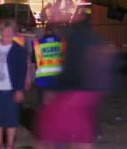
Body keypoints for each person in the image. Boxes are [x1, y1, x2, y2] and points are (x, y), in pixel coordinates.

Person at [35, 10, 116, 149]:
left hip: (74, 93)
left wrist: (55, 89)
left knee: (55, 133)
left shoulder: (75, 38)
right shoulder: (84, 37)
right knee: (78, 134)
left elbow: (70, 66)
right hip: (83, 93)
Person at [0, 20, 28, 149]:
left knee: (11, 120)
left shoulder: (18, 50)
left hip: (11, 90)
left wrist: (19, 90)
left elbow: (22, 71)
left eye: (11, 31)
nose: (8, 33)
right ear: (1, 31)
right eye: (5, 30)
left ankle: (10, 145)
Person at [31, 24, 65, 106]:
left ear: (45, 31)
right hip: (58, 79)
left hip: (43, 80)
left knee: (43, 107)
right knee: (57, 106)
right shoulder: (62, 42)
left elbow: (33, 60)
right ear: (55, 31)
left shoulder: (37, 44)